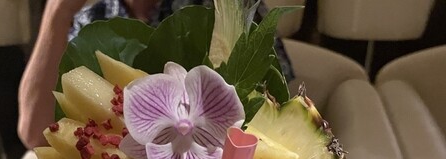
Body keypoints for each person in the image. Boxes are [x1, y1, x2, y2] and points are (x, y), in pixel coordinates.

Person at [17, 0, 294, 150]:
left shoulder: (228, 9)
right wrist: (58, 10)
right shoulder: (90, 18)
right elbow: (35, 133)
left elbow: (281, 125)